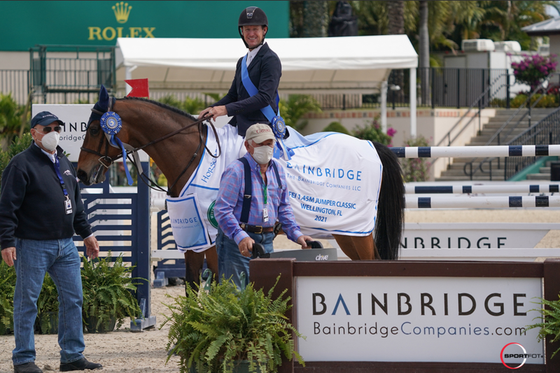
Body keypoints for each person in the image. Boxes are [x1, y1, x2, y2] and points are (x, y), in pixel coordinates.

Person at [0, 111, 102, 373]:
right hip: (32, 244)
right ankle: (23, 359)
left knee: (73, 299)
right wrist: (7, 241)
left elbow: (75, 205)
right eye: (47, 129)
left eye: (57, 128)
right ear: (34, 133)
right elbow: (7, 207)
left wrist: (87, 234)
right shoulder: (20, 164)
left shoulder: (65, 162)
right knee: (27, 303)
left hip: (65, 245)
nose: (53, 133)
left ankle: (71, 356)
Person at [214, 123, 312, 289]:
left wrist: (297, 235)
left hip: (266, 240)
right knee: (235, 299)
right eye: (261, 144)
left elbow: (284, 208)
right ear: (248, 145)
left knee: (264, 295)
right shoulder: (236, 170)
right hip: (237, 243)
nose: (266, 148)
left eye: (270, 143)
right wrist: (240, 236)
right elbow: (222, 211)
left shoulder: (278, 170)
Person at [199, 6, 282, 137]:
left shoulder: (270, 59)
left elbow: (264, 98)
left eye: (255, 29)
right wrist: (212, 108)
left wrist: (225, 109)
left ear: (264, 30)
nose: (251, 33)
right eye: (247, 29)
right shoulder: (242, 62)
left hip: (260, 128)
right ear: (242, 31)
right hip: (238, 125)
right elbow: (232, 96)